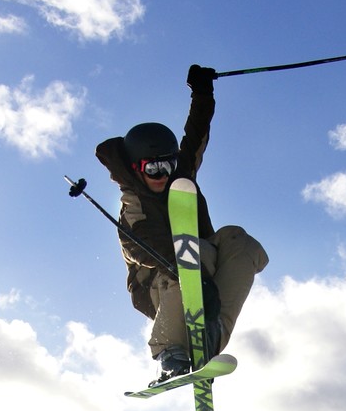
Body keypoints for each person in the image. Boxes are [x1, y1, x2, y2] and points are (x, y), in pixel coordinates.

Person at [96, 64, 269, 383]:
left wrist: (203, 92)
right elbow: (140, 247)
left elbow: (196, 135)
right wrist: (189, 271)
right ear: (136, 168)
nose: (162, 175)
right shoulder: (133, 204)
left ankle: (210, 336)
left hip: (203, 269)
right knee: (187, 255)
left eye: (168, 165)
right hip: (157, 283)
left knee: (238, 240)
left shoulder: (181, 175)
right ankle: (168, 353)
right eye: (153, 169)